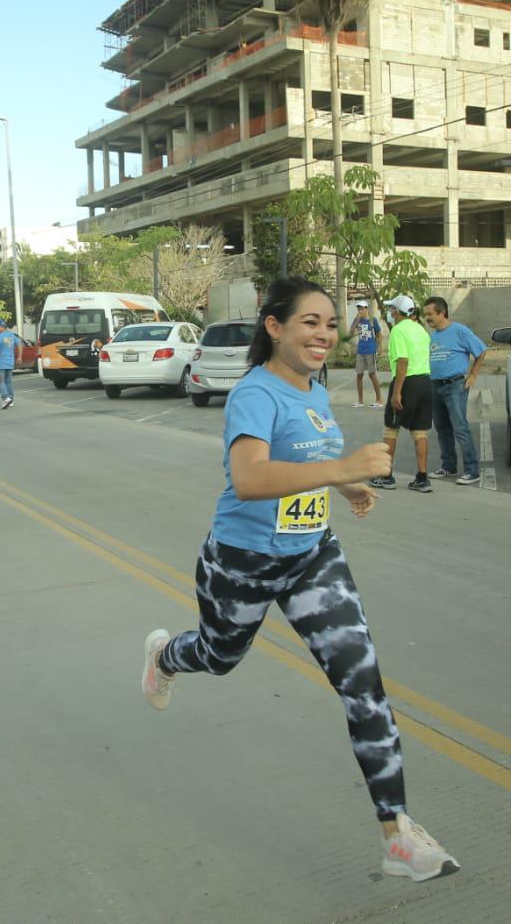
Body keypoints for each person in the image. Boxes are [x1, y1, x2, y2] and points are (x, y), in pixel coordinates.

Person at [139, 277, 459, 883]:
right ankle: (166, 656)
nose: (324, 334)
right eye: (310, 322)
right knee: (219, 655)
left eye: (331, 324)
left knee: (364, 685)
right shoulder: (253, 394)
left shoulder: (312, 387)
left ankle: (397, 835)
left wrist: (345, 484)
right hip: (243, 560)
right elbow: (250, 479)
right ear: (275, 326)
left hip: (312, 557)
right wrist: (341, 468)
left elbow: (306, 458)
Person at [368, 294, 432, 492]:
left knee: (391, 428)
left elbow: (402, 361)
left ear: (397, 312)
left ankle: (386, 476)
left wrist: (397, 392)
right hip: (425, 381)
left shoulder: (398, 330)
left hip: (407, 382)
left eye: (391, 309)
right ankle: (422, 478)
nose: (390, 312)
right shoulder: (421, 330)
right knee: (419, 431)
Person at [421, 297, 485, 485]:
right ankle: (449, 466)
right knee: (442, 428)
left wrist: (473, 375)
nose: (427, 318)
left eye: (430, 314)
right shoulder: (432, 335)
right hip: (435, 386)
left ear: (442, 313)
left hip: (454, 386)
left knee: (460, 428)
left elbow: (481, 351)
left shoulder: (460, 331)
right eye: (426, 315)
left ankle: (472, 471)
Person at [349, 301, 381, 407]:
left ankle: (379, 399)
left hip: (371, 350)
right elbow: (350, 334)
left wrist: (379, 347)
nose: (360, 311)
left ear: (366, 309)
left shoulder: (372, 320)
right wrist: (356, 321)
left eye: (362, 309)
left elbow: (379, 334)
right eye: (359, 309)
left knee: (372, 374)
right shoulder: (356, 320)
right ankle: (360, 401)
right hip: (360, 351)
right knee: (359, 375)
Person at [0, 319, 21, 409]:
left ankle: (5, 398)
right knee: (8, 381)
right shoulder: (12, 335)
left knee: (0, 381)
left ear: (1, 327)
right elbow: (19, 344)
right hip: (10, 362)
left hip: (0, 363)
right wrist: (19, 357)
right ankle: (11, 399)